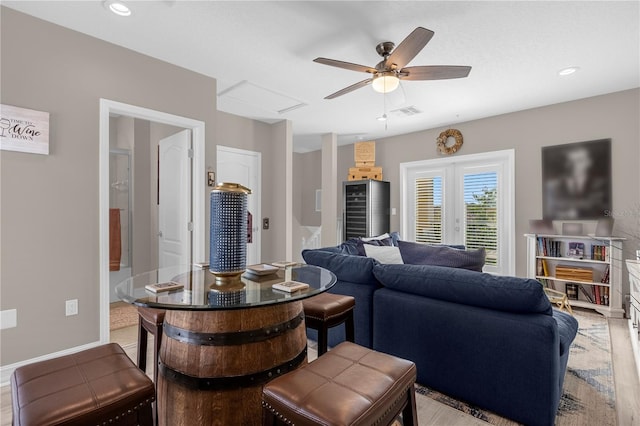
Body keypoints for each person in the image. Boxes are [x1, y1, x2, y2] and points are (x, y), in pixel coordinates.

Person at [544, 144, 609, 219]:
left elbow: (603, 209)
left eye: (579, 161)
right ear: (565, 163)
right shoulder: (553, 185)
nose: (574, 165)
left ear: (589, 162)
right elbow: (550, 209)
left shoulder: (601, 184)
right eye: (570, 161)